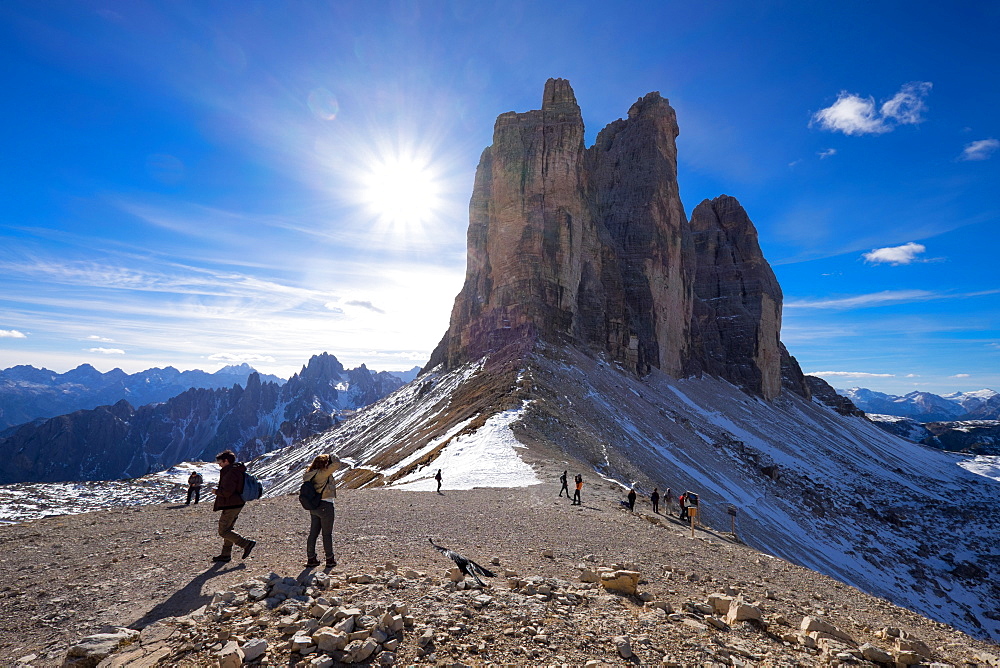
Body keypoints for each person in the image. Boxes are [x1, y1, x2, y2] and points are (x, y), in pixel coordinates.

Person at [210, 450, 255, 563]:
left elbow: (227, 492)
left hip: (231, 504)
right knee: (229, 528)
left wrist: (217, 492)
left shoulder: (230, 473)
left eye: (220, 461)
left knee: (223, 531)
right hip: (237, 503)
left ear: (226, 461)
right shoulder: (235, 470)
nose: (219, 464)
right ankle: (226, 554)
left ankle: (246, 543)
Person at [303, 453, 342, 568]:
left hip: (314, 506)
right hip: (326, 505)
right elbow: (337, 464)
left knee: (313, 534)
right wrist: (332, 455)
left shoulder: (310, 474)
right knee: (327, 534)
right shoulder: (322, 474)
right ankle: (329, 559)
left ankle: (311, 558)